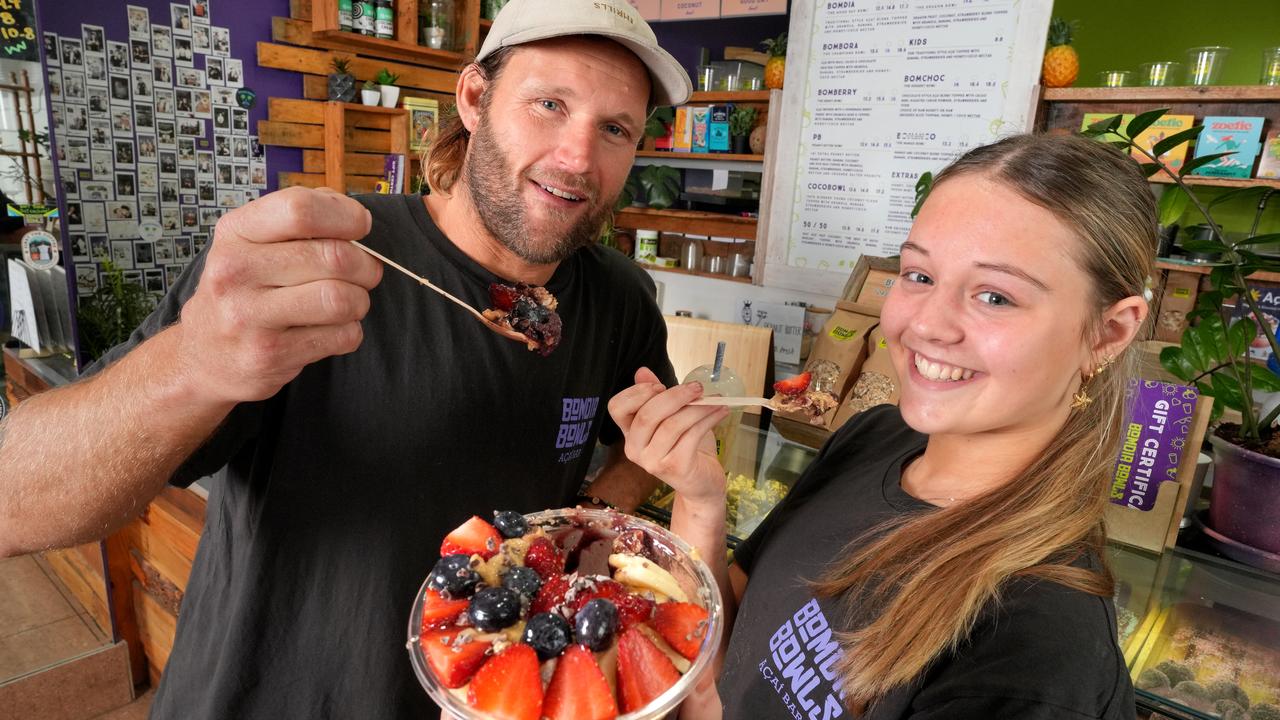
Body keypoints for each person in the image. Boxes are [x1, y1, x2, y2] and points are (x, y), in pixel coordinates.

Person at [0, 1, 690, 718]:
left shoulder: (619, 298)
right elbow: (16, 501)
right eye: (550, 103)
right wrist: (191, 363)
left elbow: (646, 442)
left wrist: (592, 518)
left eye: (615, 129)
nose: (578, 158)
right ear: (475, 99)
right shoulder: (311, 266)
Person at [610, 133, 1152, 720]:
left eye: (995, 296)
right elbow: (718, 657)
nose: (926, 324)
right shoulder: (874, 436)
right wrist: (699, 497)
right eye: (918, 275)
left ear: (1109, 333)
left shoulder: (1034, 647)